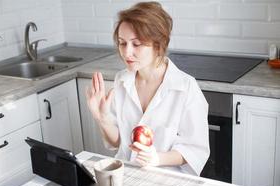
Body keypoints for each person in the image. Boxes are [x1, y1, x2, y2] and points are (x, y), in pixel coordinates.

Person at [85, 1, 209, 176]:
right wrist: (101, 117)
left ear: (158, 45)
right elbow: (117, 142)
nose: (127, 53)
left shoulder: (185, 87)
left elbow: (195, 149)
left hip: (169, 178)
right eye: (122, 43)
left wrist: (156, 159)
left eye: (136, 44)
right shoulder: (121, 80)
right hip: (127, 174)